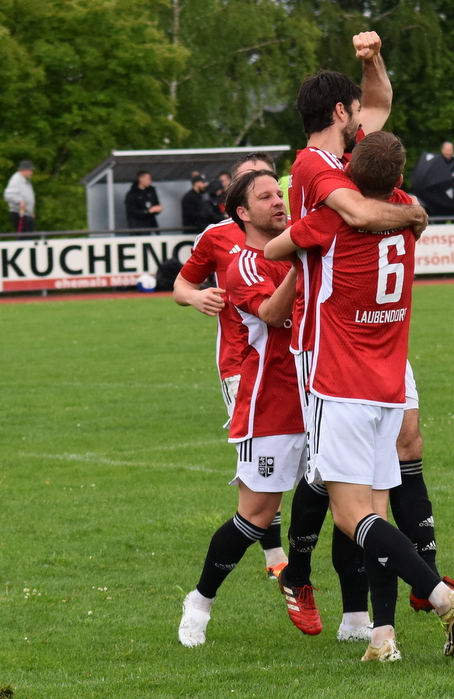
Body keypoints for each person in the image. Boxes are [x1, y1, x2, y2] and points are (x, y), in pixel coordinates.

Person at [266, 131, 454, 661]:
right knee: (377, 510)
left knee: (350, 517)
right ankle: (383, 635)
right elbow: (392, 203)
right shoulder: (408, 210)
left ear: (348, 175)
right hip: (390, 386)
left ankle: (442, 597)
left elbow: (272, 248)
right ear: (399, 179)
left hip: (341, 386)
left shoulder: (331, 220)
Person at [177, 169, 303, 648]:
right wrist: (197, 296)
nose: (278, 200)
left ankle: (357, 618)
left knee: (344, 502)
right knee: (257, 510)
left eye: (278, 191)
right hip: (260, 385)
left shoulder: (302, 235)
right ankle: (202, 599)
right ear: (242, 210)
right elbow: (183, 287)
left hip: (323, 392)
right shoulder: (234, 252)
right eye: (264, 195)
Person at [3, 160, 36, 236]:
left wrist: (31, 212)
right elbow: (8, 194)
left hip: (27, 214)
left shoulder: (25, 180)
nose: (31, 173)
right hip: (20, 213)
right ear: (24, 170)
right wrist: (20, 200)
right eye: (30, 170)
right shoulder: (16, 179)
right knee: (24, 237)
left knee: (29, 237)